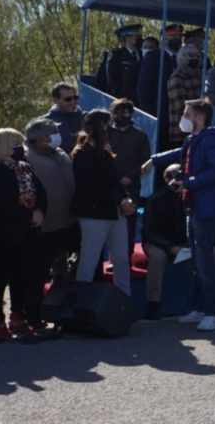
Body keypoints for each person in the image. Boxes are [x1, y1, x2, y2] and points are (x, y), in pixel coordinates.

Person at [144, 98, 215, 332]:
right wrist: (154, 160)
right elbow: (179, 153)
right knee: (197, 260)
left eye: (187, 114)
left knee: (204, 260)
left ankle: (213, 312)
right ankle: (199, 308)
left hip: (206, 207)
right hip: (192, 206)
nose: (183, 118)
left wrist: (188, 183)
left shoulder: (211, 138)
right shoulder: (193, 139)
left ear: (199, 117)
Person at [0, 128, 47, 337]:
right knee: (1, 275)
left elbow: (40, 191)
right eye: (17, 144)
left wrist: (39, 211)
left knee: (21, 275)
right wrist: (27, 215)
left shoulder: (25, 167)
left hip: (27, 230)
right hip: (2, 232)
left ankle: (18, 315)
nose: (22, 148)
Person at [71, 110, 135, 296]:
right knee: (89, 260)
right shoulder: (83, 153)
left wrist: (126, 198)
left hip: (114, 211)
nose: (112, 128)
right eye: (108, 124)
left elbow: (113, 181)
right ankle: (81, 303)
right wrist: (120, 200)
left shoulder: (105, 152)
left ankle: (124, 301)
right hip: (93, 213)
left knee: (121, 260)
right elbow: (91, 186)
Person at [23, 117, 77, 327]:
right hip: (44, 227)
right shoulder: (27, 158)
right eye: (53, 132)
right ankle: (33, 317)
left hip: (69, 222)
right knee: (38, 272)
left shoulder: (61, 153)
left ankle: (63, 310)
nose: (57, 135)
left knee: (69, 267)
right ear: (40, 137)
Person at [140, 165, 191, 320]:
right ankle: (153, 303)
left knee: (212, 253)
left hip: (182, 241)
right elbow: (148, 232)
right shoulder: (155, 199)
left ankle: (203, 300)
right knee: (158, 257)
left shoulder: (189, 197)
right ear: (167, 180)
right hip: (158, 242)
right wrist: (170, 247)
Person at [108, 99, 150, 260]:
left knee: (129, 221)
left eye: (126, 112)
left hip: (130, 185)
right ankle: (111, 257)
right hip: (110, 184)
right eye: (118, 112)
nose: (122, 116)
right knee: (109, 220)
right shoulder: (107, 133)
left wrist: (130, 176)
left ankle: (126, 256)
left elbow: (145, 160)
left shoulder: (139, 135)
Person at [137, 23, 183, 122]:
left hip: (177, 113)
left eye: (179, 36)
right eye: (173, 37)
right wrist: (147, 114)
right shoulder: (153, 57)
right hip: (157, 111)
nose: (177, 40)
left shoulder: (182, 57)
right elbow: (143, 88)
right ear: (165, 39)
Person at [167, 44, 206, 146]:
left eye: (197, 55)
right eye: (191, 55)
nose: (195, 58)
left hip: (200, 129)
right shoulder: (176, 77)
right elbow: (181, 106)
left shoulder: (200, 75)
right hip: (181, 131)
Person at [96, 23, 143, 102]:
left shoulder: (142, 54)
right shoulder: (116, 55)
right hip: (121, 100)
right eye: (136, 36)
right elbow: (111, 80)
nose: (139, 38)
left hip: (139, 98)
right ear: (127, 38)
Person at [45, 83, 85, 155]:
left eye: (75, 97)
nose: (72, 102)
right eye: (68, 99)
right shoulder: (45, 122)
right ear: (55, 100)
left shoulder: (85, 117)